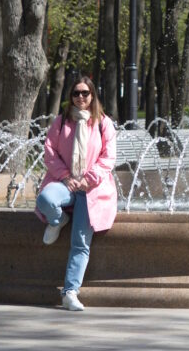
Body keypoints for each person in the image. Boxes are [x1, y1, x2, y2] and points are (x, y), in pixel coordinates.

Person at [35, 76, 117, 311]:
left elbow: (108, 158)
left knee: (80, 242)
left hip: (92, 189)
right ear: (70, 97)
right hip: (66, 183)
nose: (80, 97)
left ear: (92, 96)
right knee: (45, 199)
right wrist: (66, 177)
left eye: (85, 93)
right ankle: (58, 220)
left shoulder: (103, 123)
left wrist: (88, 180)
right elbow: (50, 153)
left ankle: (70, 292)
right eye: (76, 93)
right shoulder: (61, 123)